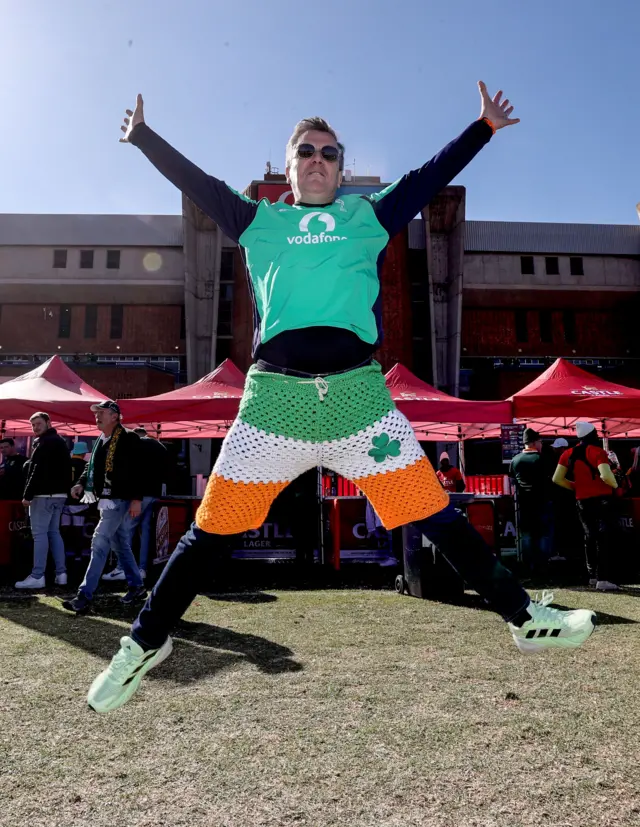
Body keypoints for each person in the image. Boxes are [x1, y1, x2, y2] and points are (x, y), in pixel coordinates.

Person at [86, 83, 597, 714]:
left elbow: (424, 177)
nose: (319, 159)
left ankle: (523, 619)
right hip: (274, 403)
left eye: (330, 152)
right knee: (209, 531)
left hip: (359, 400)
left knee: (435, 512)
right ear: (291, 165)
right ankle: (144, 643)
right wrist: (143, 137)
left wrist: (482, 128)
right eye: (307, 151)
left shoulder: (368, 218)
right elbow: (198, 181)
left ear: (341, 165)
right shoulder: (258, 219)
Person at [62, 401, 146, 614]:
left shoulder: (129, 438)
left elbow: (140, 469)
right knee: (119, 544)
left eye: (102, 413)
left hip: (119, 499)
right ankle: (137, 586)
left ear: (115, 416)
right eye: (96, 413)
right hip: (107, 499)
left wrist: (137, 498)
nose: (97, 416)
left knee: (99, 542)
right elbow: (92, 467)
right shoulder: (101, 439)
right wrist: (81, 482)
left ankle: (84, 595)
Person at [553, 422, 619, 591]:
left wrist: (576, 487)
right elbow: (606, 475)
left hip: (581, 500)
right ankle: (604, 578)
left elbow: (557, 479)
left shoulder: (567, 453)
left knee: (589, 536)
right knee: (604, 537)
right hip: (603, 499)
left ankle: (592, 576)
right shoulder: (598, 452)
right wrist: (616, 486)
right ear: (593, 435)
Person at [103, 428, 168, 582]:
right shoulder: (160, 446)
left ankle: (122, 568)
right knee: (145, 532)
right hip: (155, 492)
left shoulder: (137, 444)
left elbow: (133, 470)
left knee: (127, 530)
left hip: (139, 494)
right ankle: (142, 568)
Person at [15, 413, 70, 589]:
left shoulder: (44, 442)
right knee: (53, 533)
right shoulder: (60, 441)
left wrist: (27, 495)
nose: (35, 428)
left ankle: (38, 575)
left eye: (38, 424)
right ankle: (61, 574)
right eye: (33, 425)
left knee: (40, 535)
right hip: (59, 495)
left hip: (43, 495)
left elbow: (36, 470)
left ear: (48, 423)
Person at [509, 428, 553, 576]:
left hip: (524, 505)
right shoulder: (543, 459)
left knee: (526, 536)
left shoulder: (515, 460)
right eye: (540, 441)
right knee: (543, 535)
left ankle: (528, 566)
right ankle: (543, 567)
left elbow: (512, 481)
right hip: (542, 503)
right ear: (535, 442)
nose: (541, 444)